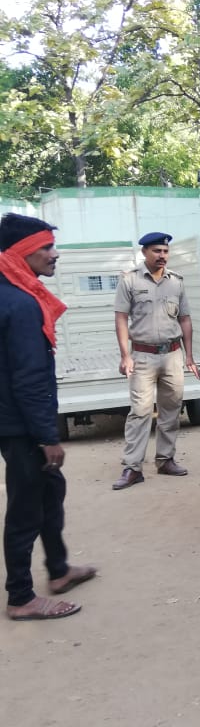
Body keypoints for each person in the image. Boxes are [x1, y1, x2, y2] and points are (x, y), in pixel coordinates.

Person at [0, 213, 96, 620]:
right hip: (20, 425)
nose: (55, 255)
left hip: (15, 418)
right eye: (47, 248)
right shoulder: (21, 303)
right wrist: (46, 436)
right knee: (26, 507)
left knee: (50, 492)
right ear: (23, 252)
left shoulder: (14, 293)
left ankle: (58, 570)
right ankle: (21, 597)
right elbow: (29, 377)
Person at [112, 232, 200, 490]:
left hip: (172, 354)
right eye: (156, 251)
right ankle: (132, 467)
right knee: (139, 412)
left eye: (165, 251)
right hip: (143, 356)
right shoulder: (130, 280)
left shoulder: (177, 283)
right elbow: (120, 318)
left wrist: (190, 356)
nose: (162, 256)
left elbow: (184, 319)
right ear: (144, 253)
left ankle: (165, 459)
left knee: (171, 410)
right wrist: (125, 355)